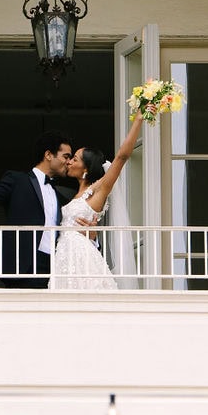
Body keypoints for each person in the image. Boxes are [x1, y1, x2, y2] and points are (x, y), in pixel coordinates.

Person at [49, 113, 144, 290]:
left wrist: (139, 118)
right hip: (64, 256)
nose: (69, 162)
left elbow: (121, 157)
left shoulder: (98, 190)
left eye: (74, 159)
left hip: (82, 257)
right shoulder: (73, 195)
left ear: (86, 167)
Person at [0, 133, 72, 288]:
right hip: (25, 264)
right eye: (66, 156)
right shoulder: (17, 180)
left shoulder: (60, 196)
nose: (69, 162)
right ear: (49, 155)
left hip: (55, 267)